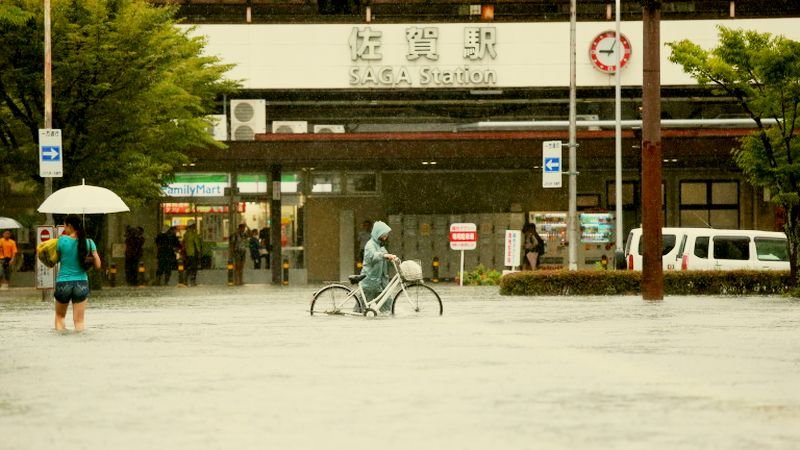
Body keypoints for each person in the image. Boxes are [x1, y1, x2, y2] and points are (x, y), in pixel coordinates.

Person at [53, 214, 101, 331]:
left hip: (63, 283)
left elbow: (55, 259)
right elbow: (98, 265)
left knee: (60, 317)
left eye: (65, 226)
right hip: (81, 283)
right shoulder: (89, 243)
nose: (64, 229)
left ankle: (62, 343)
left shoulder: (62, 241)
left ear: (69, 225)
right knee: (79, 321)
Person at [359, 220, 397, 313]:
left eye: (386, 234)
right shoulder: (370, 245)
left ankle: (386, 319)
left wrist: (391, 257)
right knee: (360, 308)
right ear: (378, 233)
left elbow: (384, 255)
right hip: (370, 281)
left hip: (380, 282)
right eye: (384, 234)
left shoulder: (380, 245)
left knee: (387, 304)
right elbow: (373, 256)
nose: (386, 236)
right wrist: (384, 256)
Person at [182, 221, 203, 286]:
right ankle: (193, 281)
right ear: (192, 226)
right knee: (194, 268)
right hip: (193, 253)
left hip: (187, 253)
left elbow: (184, 244)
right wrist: (199, 252)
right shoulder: (194, 234)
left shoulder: (185, 234)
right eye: (194, 225)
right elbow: (197, 244)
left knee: (188, 267)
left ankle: (185, 280)